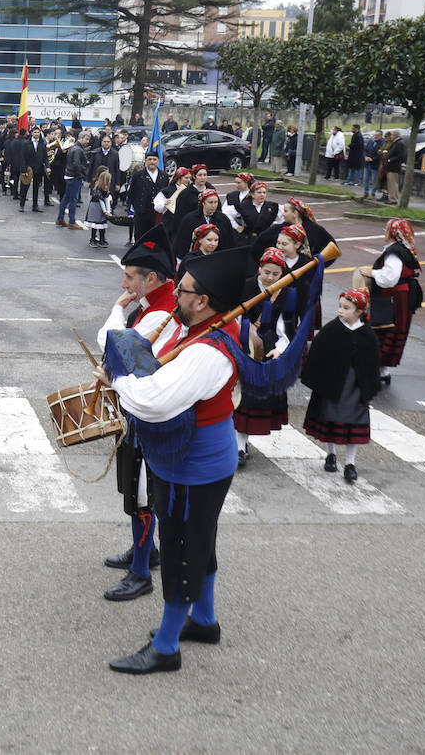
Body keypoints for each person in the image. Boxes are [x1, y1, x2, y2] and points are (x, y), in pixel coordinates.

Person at [95, 246, 249, 674]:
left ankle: (166, 648)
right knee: (201, 543)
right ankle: (204, 621)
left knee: (182, 552)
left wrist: (117, 379)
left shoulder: (208, 350)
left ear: (202, 301)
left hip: (193, 465)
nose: (175, 293)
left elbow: (153, 402)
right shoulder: (205, 329)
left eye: (182, 289)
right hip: (199, 458)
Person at [97, 224, 177, 602]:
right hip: (145, 406)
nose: (124, 282)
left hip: (149, 414)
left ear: (152, 278)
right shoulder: (154, 305)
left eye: (130, 277)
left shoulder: (156, 315)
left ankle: (141, 572)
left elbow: (112, 344)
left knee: (140, 492)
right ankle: (148, 551)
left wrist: (116, 308)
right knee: (140, 488)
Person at [302, 289, 382, 483]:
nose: (341, 311)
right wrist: (318, 378)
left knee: (354, 423)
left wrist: (369, 386)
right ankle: (330, 454)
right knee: (330, 418)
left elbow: (373, 363)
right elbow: (317, 352)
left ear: (359, 311)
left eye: (347, 308)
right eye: (340, 306)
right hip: (332, 385)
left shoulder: (368, 335)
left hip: (356, 388)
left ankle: (350, 463)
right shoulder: (331, 330)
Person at [232, 248, 297, 468]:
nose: (269, 277)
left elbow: (287, 329)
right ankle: (238, 446)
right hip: (242, 345)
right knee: (240, 399)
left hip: (268, 349)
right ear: (259, 268)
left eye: (275, 274)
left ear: (282, 274)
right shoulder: (246, 287)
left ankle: (242, 445)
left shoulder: (287, 294)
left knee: (252, 402)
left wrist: (280, 349)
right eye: (266, 272)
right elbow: (235, 317)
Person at [357, 218, 421, 385]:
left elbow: (389, 278)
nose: (384, 232)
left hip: (394, 299)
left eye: (387, 230)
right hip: (400, 297)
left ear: (393, 233)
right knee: (387, 331)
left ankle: (378, 370)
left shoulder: (394, 253)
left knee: (383, 329)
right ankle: (381, 370)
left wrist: (371, 273)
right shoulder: (403, 250)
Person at [58, 133, 90, 229]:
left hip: (70, 175)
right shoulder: (78, 149)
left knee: (66, 198)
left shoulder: (74, 148)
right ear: (80, 138)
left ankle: (60, 218)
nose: (87, 141)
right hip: (74, 176)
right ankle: (72, 221)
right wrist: (82, 174)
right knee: (73, 199)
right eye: (86, 139)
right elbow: (77, 164)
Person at [85, 167, 112, 248]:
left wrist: (108, 211)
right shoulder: (98, 187)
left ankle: (102, 239)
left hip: (101, 207)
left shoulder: (106, 187)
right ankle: (92, 239)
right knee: (95, 224)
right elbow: (101, 201)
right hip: (95, 207)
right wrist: (105, 211)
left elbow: (107, 199)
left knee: (102, 224)